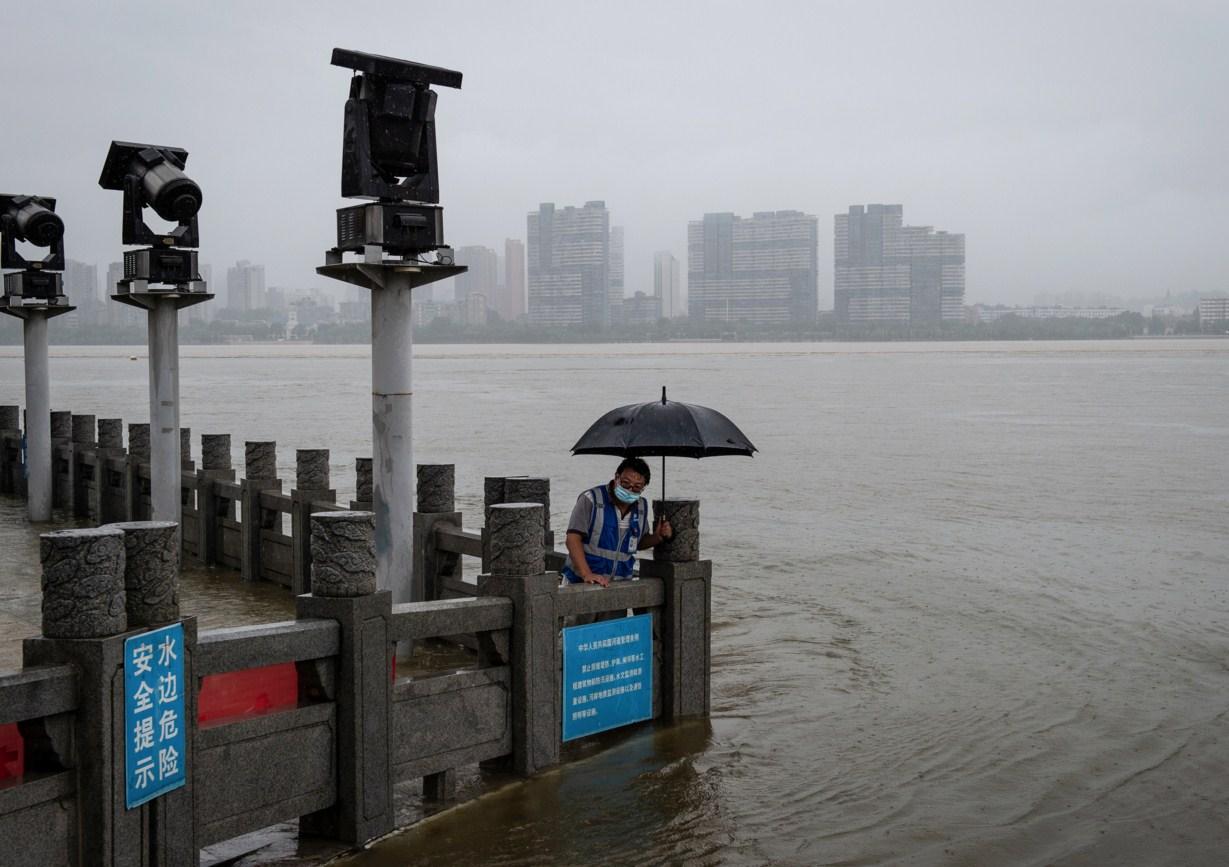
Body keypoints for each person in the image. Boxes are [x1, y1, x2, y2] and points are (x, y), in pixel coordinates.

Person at [561, 457, 673, 587]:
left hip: (619, 584)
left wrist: (657, 537)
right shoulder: (591, 499)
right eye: (625, 483)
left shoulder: (641, 506)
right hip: (581, 581)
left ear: (644, 487)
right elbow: (572, 539)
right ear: (616, 477)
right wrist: (587, 574)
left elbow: (636, 543)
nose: (630, 490)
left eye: (637, 487)